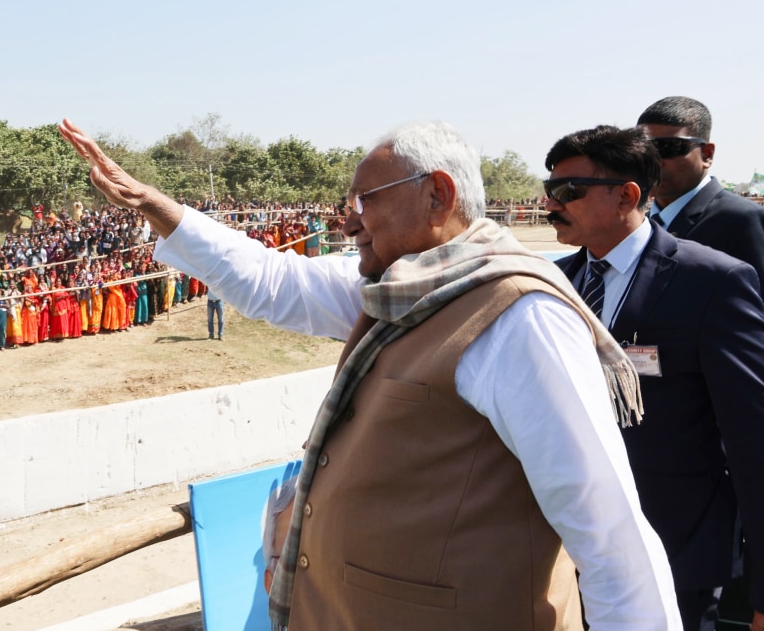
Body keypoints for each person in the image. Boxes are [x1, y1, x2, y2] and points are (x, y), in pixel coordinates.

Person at [59, 117, 680, 630]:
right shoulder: (397, 288)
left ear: (437, 194)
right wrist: (153, 205)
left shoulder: (519, 316)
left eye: (365, 201)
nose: (349, 219)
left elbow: (610, 536)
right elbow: (274, 282)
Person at [544, 125, 764, 631]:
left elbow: (753, 440)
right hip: (569, 551)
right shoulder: (552, 283)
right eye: (551, 189)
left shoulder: (712, 281)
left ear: (627, 194)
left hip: (674, 556)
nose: (552, 203)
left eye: (569, 191)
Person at [637, 97, 764, 287]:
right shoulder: (641, 223)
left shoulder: (742, 219)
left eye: (668, 148)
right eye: (643, 151)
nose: (654, 162)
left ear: (707, 154)